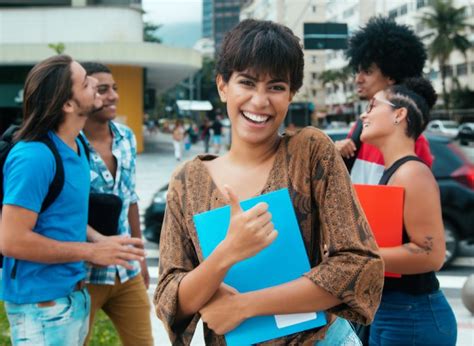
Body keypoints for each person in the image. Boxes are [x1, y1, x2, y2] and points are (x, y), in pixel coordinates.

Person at [155, 19, 384, 345]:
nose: (260, 101)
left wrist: (244, 306)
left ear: (291, 94)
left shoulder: (310, 152)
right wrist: (227, 253)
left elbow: (358, 266)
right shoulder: (187, 181)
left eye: (276, 87)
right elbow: (169, 298)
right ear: (223, 86)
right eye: (246, 83)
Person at [0, 55, 145, 345]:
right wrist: (89, 253)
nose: (95, 84)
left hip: (72, 296)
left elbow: (63, 215)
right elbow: (11, 240)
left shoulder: (77, 145)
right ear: (68, 104)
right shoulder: (34, 157)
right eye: (86, 82)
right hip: (40, 307)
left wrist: (98, 240)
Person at [359, 77, 457, 345]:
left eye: (372, 106)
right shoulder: (394, 172)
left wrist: (357, 256)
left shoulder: (411, 173)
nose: (363, 115)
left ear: (399, 115)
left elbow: (431, 254)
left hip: (412, 317)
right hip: (392, 313)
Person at [81, 62, 153, 346]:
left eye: (115, 89)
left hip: (126, 270)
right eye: (102, 90)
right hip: (83, 272)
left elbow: (130, 198)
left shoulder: (126, 137)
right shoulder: (68, 143)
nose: (112, 96)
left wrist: (141, 257)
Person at [335, 17, 433, 184]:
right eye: (357, 71)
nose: (358, 79)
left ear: (391, 76)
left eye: (367, 71)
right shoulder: (360, 128)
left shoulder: (415, 141)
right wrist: (336, 152)